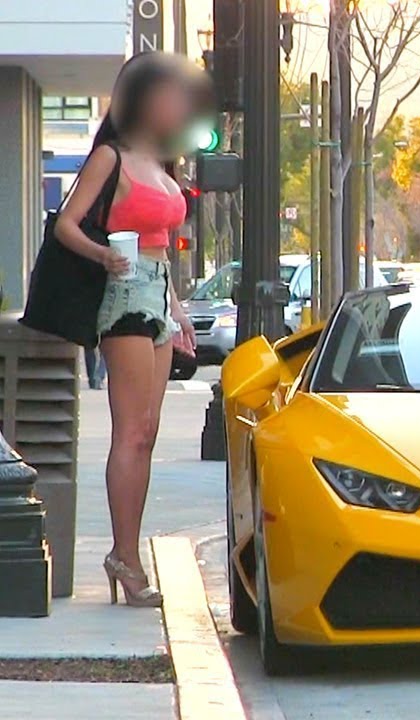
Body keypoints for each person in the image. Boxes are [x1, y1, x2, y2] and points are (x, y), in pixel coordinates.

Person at [53, 53, 206, 607]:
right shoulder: (110, 157)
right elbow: (66, 224)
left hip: (158, 291)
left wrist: (179, 308)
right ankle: (125, 556)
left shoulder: (161, 159)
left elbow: (163, 246)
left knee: (148, 432)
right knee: (131, 432)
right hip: (124, 294)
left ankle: (126, 554)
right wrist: (102, 255)